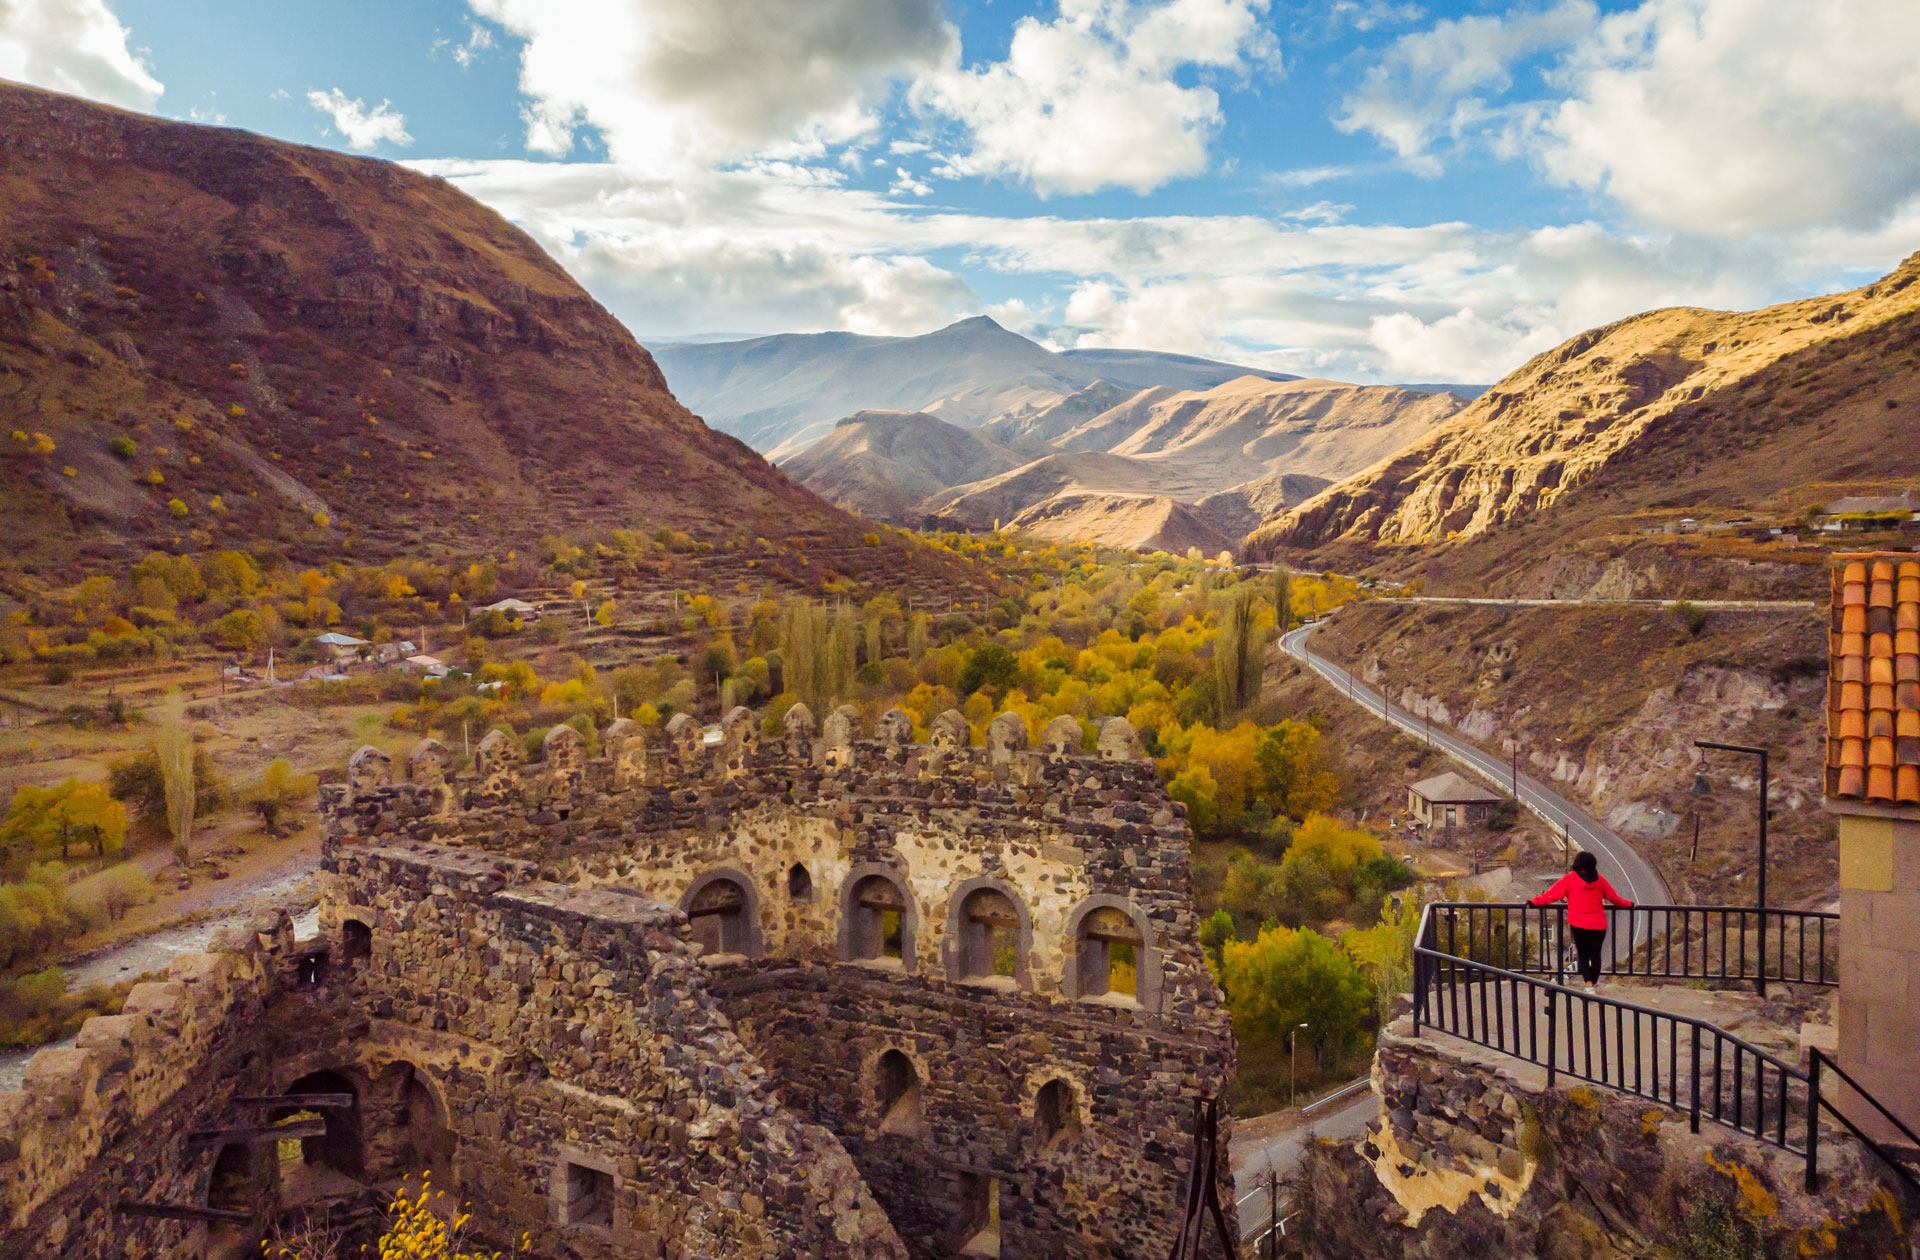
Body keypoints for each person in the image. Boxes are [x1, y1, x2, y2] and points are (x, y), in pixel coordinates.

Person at [1529, 851, 1633, 992]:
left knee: (1583, 956)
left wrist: (1534, 902)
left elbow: (1551, 895)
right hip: (1598, 926)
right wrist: (1629, 904)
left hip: (1579, 925)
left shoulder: (1570, 879)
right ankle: (1593, 984)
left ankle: (1589, 985)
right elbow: (1615, 899)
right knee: (1596, 955)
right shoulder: (1600, 880)